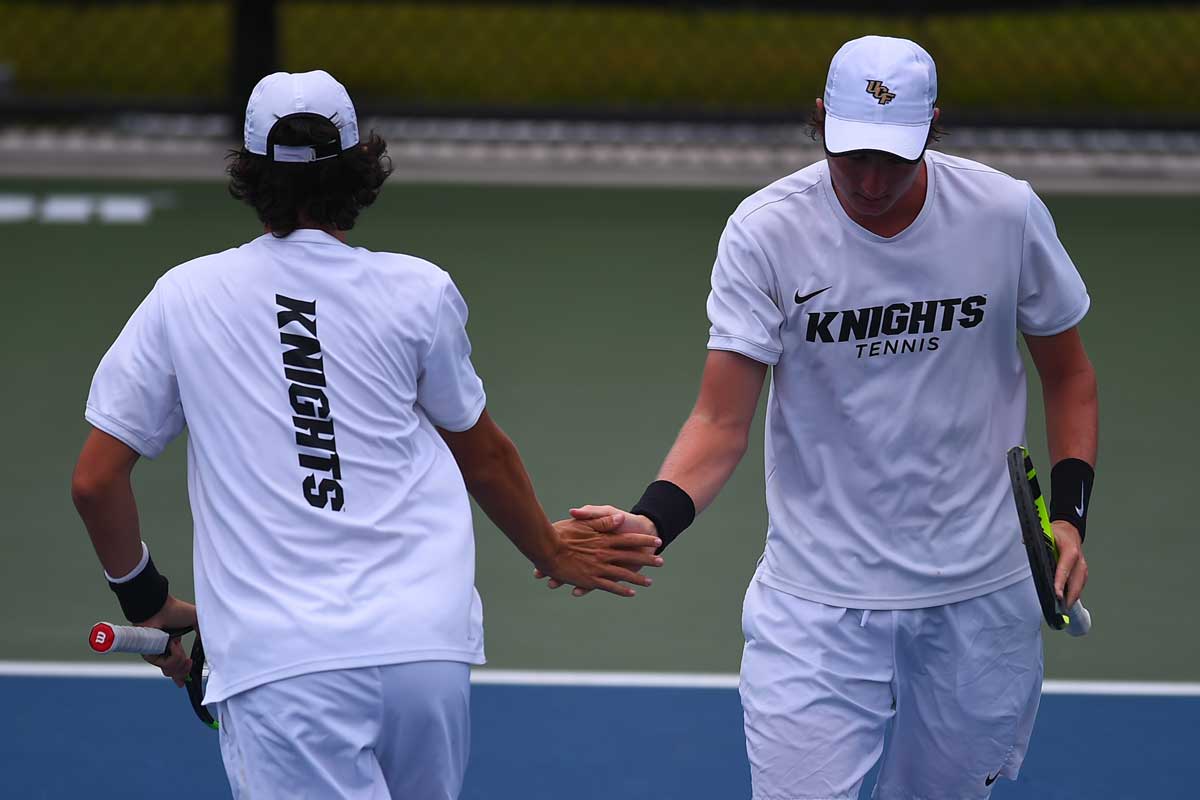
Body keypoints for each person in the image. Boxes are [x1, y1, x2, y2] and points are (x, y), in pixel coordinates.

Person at [70, 70, 662, 799]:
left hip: (281, 667)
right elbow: (483, 455)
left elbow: (96, 480)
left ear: (251, 176)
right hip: (424, 657)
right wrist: (549, 548)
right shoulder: (420, 290)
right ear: (359, 170)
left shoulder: (182, 296)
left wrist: (148, 604)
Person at [554, 36, 1097, 798]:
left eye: (894, 158)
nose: (871, 181)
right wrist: (654, 519)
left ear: (934, 127)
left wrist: (1069, 516)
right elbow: (720, 420)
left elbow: (1068, 374)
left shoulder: (1005, 214)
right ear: (819, 120)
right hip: (817, 604)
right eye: (852, 156)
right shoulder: (768, 231)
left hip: (980, 596)